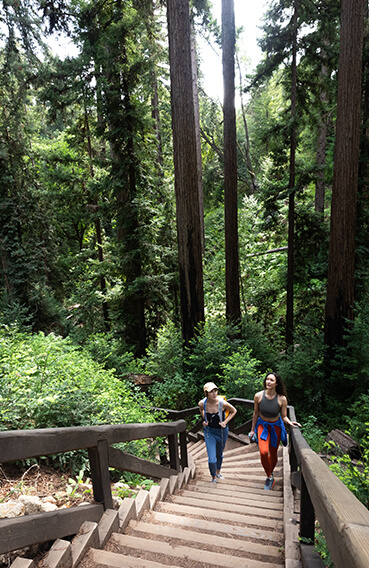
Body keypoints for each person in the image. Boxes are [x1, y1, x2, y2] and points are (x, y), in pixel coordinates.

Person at [249, 371, 301, 490]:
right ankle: (269, 476)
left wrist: (290, 422)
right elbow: (256, 413)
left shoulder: (282, 399)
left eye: (272, 380)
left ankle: (270, 475)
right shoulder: (258, 396)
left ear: (277, 383)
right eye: (267, 379)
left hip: (276, 427)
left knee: (273, 453)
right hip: (262, 426)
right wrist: (252, 430)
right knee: (263, 452)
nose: (269, 382)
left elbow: (284, 416)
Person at [199, 382, 237, 483]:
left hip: (221, 431)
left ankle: (218, 472)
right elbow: (201, 409)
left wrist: (225, 422)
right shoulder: (202, 403)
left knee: (219, 454)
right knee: (212, 458)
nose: (214, 393)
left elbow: (234, 411)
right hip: (209, 432)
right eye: (211, 391)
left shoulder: (222, 403)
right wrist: (205, 419)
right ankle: (213, 477)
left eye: (215, 390)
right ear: (206, 393)